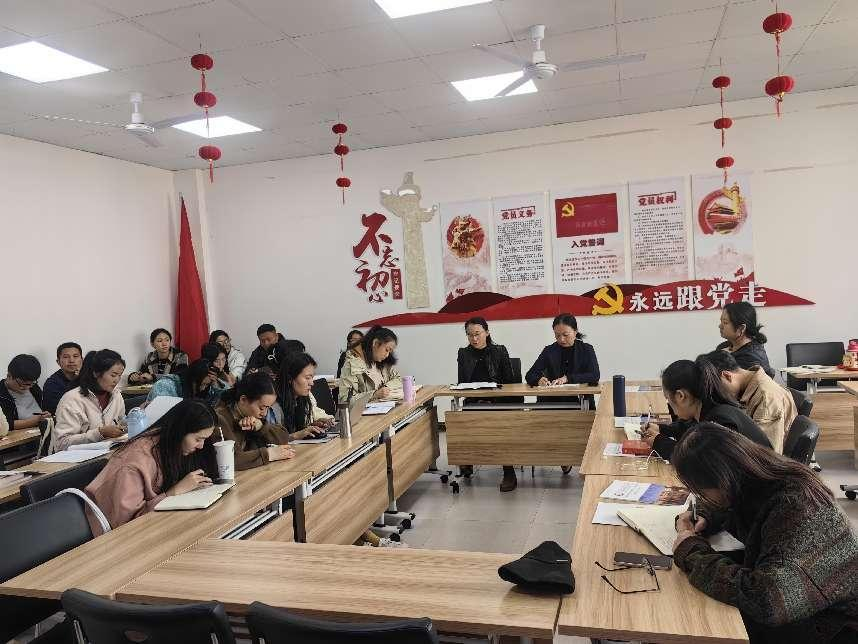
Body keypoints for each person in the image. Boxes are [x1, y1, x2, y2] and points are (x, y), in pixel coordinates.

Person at [671, 424, 858, 644]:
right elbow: (729, 503)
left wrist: (692, 551)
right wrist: (704, 513)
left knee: (692, 619)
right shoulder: (761, 476)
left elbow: (767, 602)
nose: (701, 496)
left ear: (724, 480)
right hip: (801, 602)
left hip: (831, 625)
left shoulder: (794, 504)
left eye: (701, 491)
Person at [84, 400, 217, 535]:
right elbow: (128, 524)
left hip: (156, 526)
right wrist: (174, 492)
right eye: (198, 439)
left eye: (204, 440)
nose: (201, 446)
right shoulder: (133, 463)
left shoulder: (169, 445)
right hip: (118, 536)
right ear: (180, 431)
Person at [639, 357, 772, 461]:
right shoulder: (709, 408)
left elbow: (697, 462)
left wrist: (658, 442)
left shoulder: (719, 421)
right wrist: (662, 429)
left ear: (681, 396)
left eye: (667, 398)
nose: (668, 403)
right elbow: (690, 430)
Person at [456, 317, 519, 491]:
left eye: (477, 334)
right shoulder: (463, 354)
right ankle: (467, 460)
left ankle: (509, 471)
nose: (474, 339)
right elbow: (462, 383)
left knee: (501, 427)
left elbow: (509, 383)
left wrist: (493, 398)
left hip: (499, 402)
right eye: (470, 335)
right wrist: (477, 398)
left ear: (487, 332)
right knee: (459, 420)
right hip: (474, 402)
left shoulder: (499, 351)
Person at [700, 350, 797, 453]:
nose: (719, 394)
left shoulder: (766, 399)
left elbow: (766, 454)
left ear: (727, 376)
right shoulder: (752, 387)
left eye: (716, 388)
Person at [211, 372, 295, 470]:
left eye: (268, 408)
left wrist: (261, 427)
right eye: (262, 408)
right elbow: (229, 460)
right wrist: (269, 454)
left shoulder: (252, 415)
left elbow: (284, 437)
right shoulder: (219, 418)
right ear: (243, 400)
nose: (264, 413)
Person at [53, 350, 127, 452]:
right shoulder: (72, 400)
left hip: (110, 452)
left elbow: (122, 424)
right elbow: (62, 443)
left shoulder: (116, 395)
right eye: (113, 375)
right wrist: (99, 433)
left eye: (120, 375)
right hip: (80, 458)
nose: (117, 380)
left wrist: (133, 420)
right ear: (96, 373)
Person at [525, 313, 600, 407]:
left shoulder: (586, 349)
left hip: (581, 403)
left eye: (565, 335)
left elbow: (594, 375)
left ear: (575, 332)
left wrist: (567, 378)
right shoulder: (549, 350)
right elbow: (530, 374)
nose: (561, 340)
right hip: (552, 403)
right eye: (557, 335)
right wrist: (539, 380)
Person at [277, 352, 334, 441]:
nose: (312, 383)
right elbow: (272, 441)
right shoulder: (274, 405)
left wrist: (312, 426)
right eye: (307, 378)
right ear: (290, 378)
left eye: (312, 378)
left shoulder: (301, 399)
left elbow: (296, 429)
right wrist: (294, 436)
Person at [338, 325, 401, 403]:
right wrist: (374, 395)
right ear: (375, 343)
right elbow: (345, 401)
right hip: (364, 410)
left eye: (390, 352)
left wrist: (386, 387)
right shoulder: (352, 364)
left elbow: (398, 378)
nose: (387, 355)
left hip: (383, 407)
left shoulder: (381, 362)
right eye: (387, 350)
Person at [716, 302, 774, 378]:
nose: (720, 326)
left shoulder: (751, 359)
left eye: (725, 322)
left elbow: (725, 382)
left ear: (741, 328)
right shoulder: (724, 346)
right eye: (721, 321)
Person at [0, 354, 50, 431]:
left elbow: (44, 408)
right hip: (19, 437)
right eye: (22, 384)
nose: (27, 387)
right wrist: (32, 422)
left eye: (31, 384)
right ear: (9, 376)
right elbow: (4, 425)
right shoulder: (2, 393)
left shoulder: (33, 387)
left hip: (41, 432)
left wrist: (46, 415)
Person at [146, 358, 225, 406]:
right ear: (192, 378)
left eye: (207, 385)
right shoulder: (165, 386)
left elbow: (213, 408)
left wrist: (215, 386)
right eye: (201, 384)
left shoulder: (204, 388)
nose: (203, 388)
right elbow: (163, 416)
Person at [43, 342, 83, 415]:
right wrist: (76, 381)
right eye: (66, 357)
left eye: (75, 356)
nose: (71, 360)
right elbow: (60, 410)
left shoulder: (88, 378)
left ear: (82, 360)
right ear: (58, 362)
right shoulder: (52, 383)